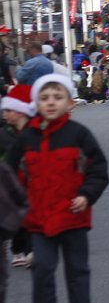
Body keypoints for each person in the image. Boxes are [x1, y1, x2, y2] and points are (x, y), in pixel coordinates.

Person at [6, 73, 109, 303]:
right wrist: (17, 205)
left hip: (73, 216)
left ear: (69, 103)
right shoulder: (26, 139)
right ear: (36, 104)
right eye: (45, 98)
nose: (51, 102)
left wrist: (86, 195)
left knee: (77, 272)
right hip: (39, 219)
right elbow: (10, 175)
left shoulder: (78, 134)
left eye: (57, 97)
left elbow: (98, 169)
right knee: (41, 270)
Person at [1, 84, 35, 271]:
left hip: (32, 183)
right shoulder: (3, 134)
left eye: (8, 110)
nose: (4, 114)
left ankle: (31, 249)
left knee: (31, 217)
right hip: (11, 184)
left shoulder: (36, 133)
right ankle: (18, 249)